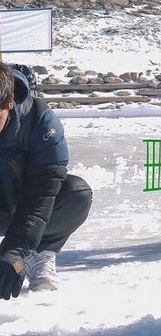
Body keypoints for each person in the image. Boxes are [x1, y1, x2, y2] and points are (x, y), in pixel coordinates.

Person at [0, 62, 92, 299]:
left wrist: (14, 251)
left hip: (23, 204)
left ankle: (39, 253)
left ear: (9, 102)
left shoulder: (41, 121)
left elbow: (41, 194)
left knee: (76, 193)